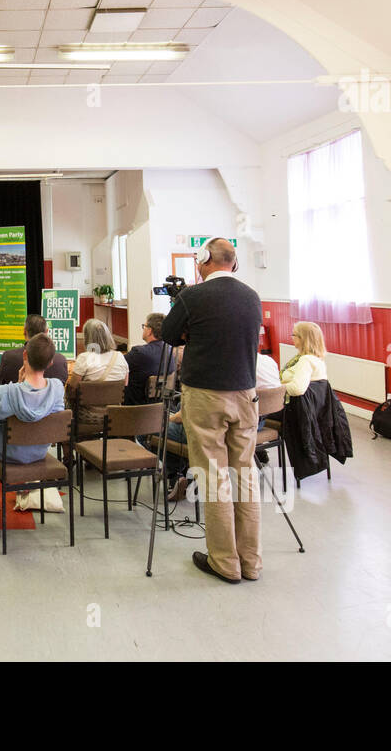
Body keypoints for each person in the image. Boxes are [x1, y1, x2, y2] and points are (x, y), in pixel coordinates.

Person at [160, 237, 263, 585]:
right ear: (234, 263)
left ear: (203, 261)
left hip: (205, 396)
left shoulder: (194, 296)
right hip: (246, 396)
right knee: (245, 477)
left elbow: (170, 335)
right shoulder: (252, 296)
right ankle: (250, 562)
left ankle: (224, 562)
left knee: (215, 478)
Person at [0, 333, 65, 512]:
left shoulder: (7, 392)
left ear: (25, 356)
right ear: (50, 362)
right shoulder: (57, 389)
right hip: (39, 451)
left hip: (7, 451)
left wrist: (18, 384)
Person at [66, 318, 128, 431]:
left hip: (87, 415)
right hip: (114, 413)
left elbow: (72, 389)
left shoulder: (84, 358)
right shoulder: (120, 356)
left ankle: (69, 443)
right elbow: (124, 384)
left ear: (87, 338)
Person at [0, 313, 69, 386]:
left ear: (24, 332)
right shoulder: (60, 360)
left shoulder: (8, 357)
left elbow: (3, 382)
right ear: (46, 332)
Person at [123, 312, 176, 406]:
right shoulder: (170, 350)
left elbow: (118, 365)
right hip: (161, 408)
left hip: (135, 408)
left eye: (144, 326)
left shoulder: (139, 353)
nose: (143, 329)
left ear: (149, 331)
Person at [280, 321, 328, 398]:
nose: (292, 337)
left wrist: (276, 387)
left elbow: (297, 389)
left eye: (294, 335)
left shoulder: (306, 360)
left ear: (303, 338)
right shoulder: (316, 358)